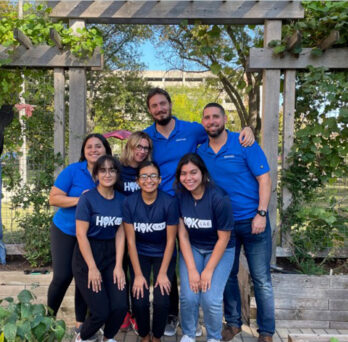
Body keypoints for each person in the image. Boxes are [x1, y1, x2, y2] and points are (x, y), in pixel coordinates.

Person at [143, 88, 255, 336]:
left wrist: (246, 131)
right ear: (150, 110)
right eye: (154, 105)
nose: (160, 108)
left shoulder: (192, 129)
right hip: (167, 208)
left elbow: (219, 130)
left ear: (170, 104)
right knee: (171, 266)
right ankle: (176, 319)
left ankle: (214, 332)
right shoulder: (148, 137)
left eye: (163, 103)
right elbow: (134, 156)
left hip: (199, 207)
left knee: (208, 293)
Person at [197, 103, 274, 342]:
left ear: (225, 118)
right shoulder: (201, 152)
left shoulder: (244, 143)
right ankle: (233, 323)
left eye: (216, 117)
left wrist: (261, 214)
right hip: (224, 226)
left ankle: (266, 331)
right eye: (207, 118)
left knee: (261, 278)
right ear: (203, 123)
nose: (211, 121)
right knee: (228, 276)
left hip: (253, 221)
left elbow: (265, 180)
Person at [48, 133, 112, 336]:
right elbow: (54, 198)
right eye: (89, 147)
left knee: (83, 278)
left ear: (106, 150)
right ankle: (48, 320)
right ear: (84, 152)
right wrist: (80, 200)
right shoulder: (73, 171)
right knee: (62, 276)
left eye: (98, 146)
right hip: (67, 230)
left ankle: (80, 325)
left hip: (92, 234)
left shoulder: (109, 171)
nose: (94, 150)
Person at [175, 153, 235, 342]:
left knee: (210, 298)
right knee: (189, 296)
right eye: (184, 173)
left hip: (220, 249)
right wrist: (192, 269)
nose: (188, 178)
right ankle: (189, 334)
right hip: (193, 247)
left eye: (193, 172)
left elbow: (223, 238)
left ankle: (214, 337)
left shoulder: (218, 198)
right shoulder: (180, 196)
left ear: (203, 173)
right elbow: (182, 234)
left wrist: (208, 271)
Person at [73, 155, 127, 342]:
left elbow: (121, 233)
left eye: (112, 170)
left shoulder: (122, 200)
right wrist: (92, 268)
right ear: (96, 174)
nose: (107, 174)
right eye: (102, 170)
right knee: (100, 312)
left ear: (117, 174)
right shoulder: (87, 199)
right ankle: (82, 337)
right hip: (88, 257)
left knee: (120, 306)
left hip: (112, 255)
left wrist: (119, 265)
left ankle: (108, 338)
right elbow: (81, 234)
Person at [123, 161, 178, 342]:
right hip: (140, 253)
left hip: (164, 253)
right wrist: (137, 275)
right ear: (138, 181)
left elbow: (171, 240)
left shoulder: (169, 203)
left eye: (153, 176)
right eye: (144, 176)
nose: (149, 180)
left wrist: (162, 273)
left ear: (160, 180)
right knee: (139, 298)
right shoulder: (129, 203)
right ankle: (145, 335)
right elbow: (130, 241)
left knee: (162, 299)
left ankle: (157, 337)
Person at [119, 131, 153, 332]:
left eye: (145, 148)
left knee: (137, 272)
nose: (141, 151)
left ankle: (139, 313)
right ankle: (123, 312)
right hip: (119, 228)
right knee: (120, 271)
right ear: (129, 146)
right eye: (138, 146)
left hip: (142, 228)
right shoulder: (117, 169)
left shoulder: (147, 170)